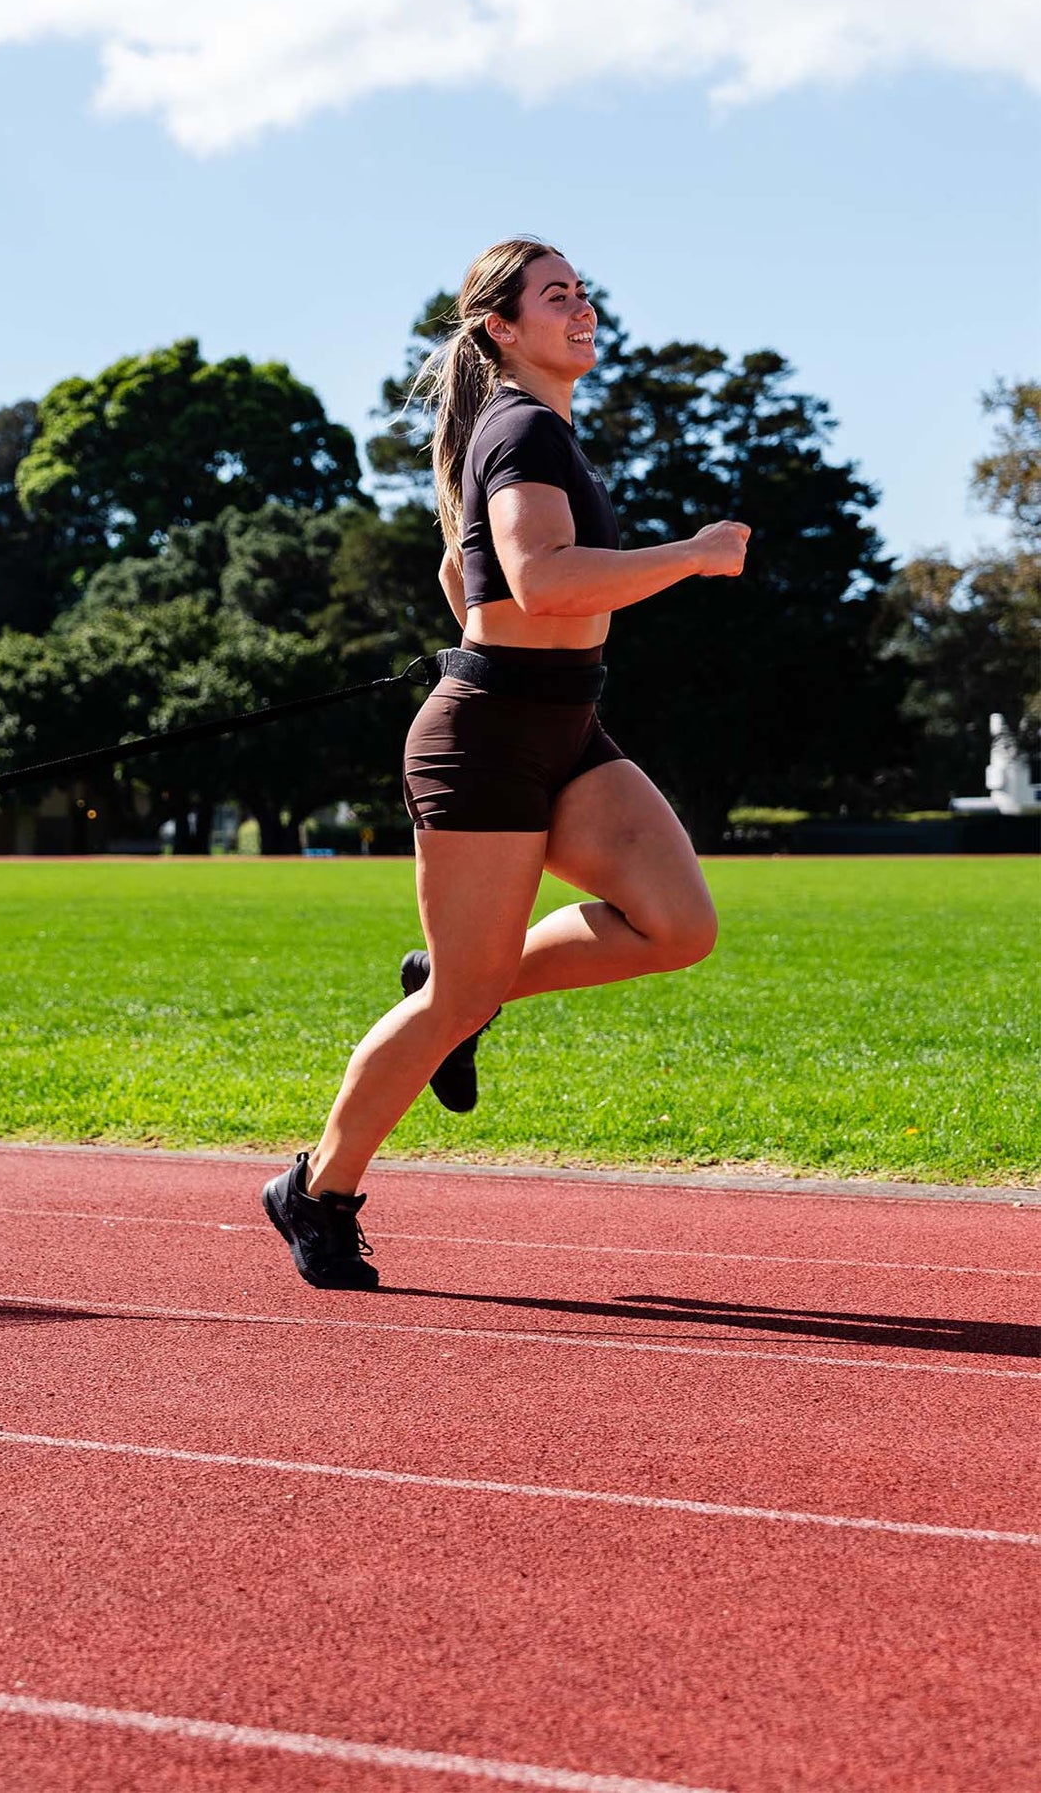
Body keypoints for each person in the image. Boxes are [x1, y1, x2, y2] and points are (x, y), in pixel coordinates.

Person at [264, 238, 750, 1289]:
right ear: (502, 327)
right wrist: (691, 552)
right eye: (554, 296)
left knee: (678, 925)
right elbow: (538, 579)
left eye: (582, 293)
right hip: (484, 740)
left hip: (567, 724)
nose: (580, 308)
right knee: (458, 994)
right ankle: (316, 1190)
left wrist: (507, 638)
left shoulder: (531, 431)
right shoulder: (524, 427)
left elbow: (463, 568)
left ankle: (458, 982)